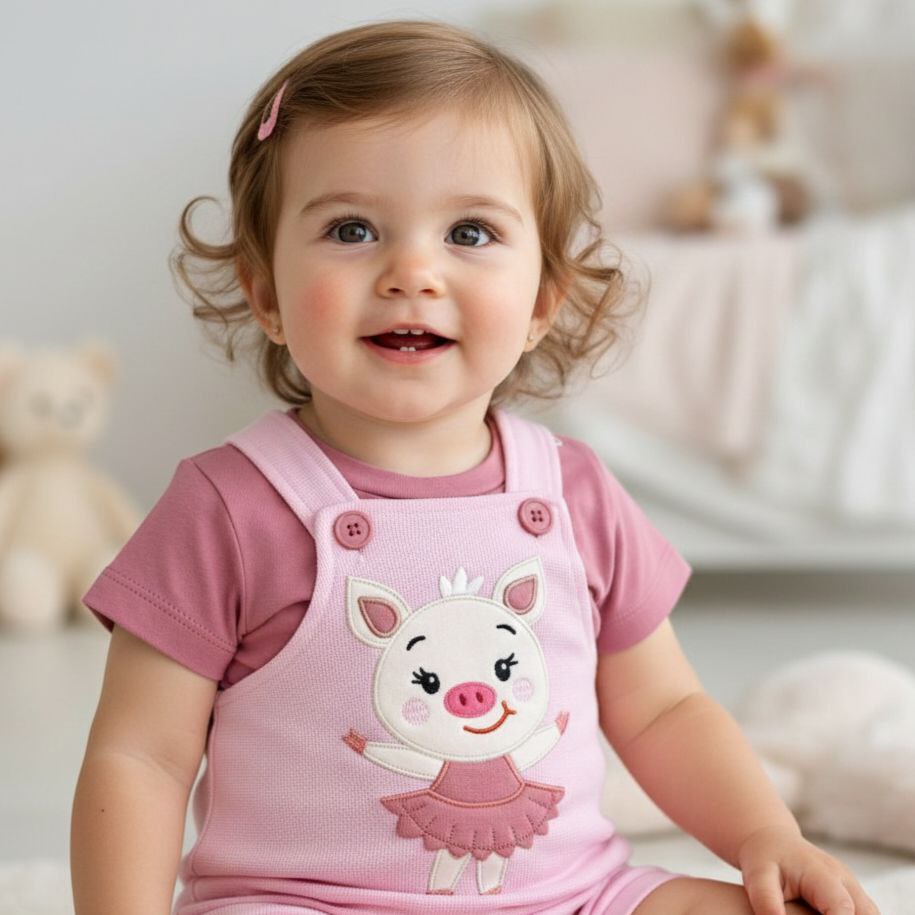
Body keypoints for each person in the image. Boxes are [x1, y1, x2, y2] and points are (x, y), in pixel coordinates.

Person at [70, 19, 878, 915]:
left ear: (541, 302)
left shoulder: (573, 492)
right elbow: (141, 756)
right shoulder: (229, 505)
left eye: (469, 231)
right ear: (265, 292)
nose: (412, 271)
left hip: (575, 896)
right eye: (351, 228)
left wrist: (764, 834)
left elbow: (662, 711)